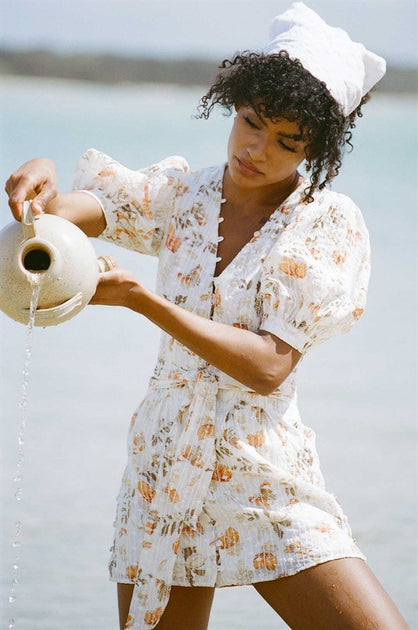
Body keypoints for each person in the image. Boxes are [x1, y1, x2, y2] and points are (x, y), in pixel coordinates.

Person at [5, 3, 408, 629]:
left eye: (287, 142)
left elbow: (268, 367)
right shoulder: (181, 194)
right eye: (251, 122)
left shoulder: (324, 224)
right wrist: (43, 176)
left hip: (261, 465)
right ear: (234, 105)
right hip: (163, 463)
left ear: (316, 148)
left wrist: (145, 302)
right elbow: (67, 216)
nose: (257, 149)